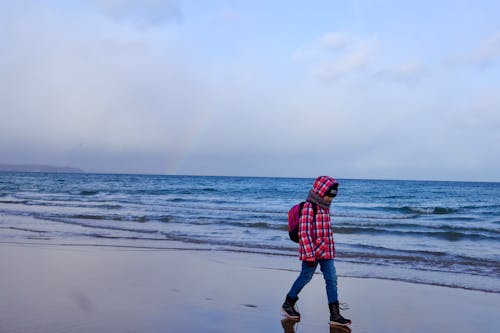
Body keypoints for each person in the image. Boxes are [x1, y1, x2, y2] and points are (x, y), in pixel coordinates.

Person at [282, 176, 351, 326]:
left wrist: (331, 248)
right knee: (305, 277)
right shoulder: (309, 207)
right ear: (320, 192)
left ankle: (335, 315)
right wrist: (309, 255)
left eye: (332, 196)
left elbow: (325, 231)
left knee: (332, 279)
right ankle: (288, 303)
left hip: (326, 252)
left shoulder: (326, 207)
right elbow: (304, 232)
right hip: (311, 253)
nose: (330, 199)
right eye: (328, 195)